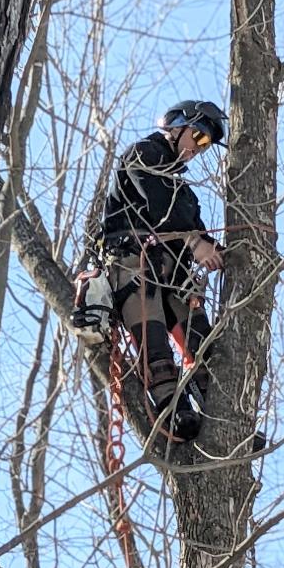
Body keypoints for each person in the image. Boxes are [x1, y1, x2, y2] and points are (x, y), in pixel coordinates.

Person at [100, 100, 227, 441]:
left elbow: (196, 230)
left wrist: (213, 250)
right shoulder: (143, 155)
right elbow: (159, 208)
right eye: (198, 138)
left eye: (206, 146)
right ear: (175, 126)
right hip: (134, 265)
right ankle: (173, 410)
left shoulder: (185, 193)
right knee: (155, 345)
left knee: (204, 343)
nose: (198, 150)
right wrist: (193, 241)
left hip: (175, 275)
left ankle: (227, 420)